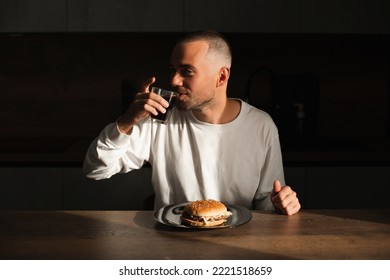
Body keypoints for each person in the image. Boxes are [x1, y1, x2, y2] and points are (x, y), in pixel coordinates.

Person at [83, 30, 301, 215]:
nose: (174, 81)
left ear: (222, 77)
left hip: (238, 248)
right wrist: (126, 121)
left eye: (187, 71)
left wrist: (280, 203)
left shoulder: (260, 125)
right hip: (171, 247)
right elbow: (95, 169)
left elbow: (265, 201)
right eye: (173, 70)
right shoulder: (160, 118)